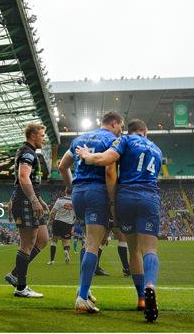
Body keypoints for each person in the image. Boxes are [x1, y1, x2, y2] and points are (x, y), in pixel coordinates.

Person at [76, 119, 162, 322]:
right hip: (149, 196)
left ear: (129, 131)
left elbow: (106, 160)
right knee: (149, 249)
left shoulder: (124, 141)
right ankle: (147, 291)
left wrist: (87, 156)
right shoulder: (157, 149)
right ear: (145, 132)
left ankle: (142, 294)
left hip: (125, 198)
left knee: (133, 249)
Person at [58, 111, 124, 313]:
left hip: (78, 192)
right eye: (121, 125)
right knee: (94, 244)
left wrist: (70, 187)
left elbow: (62, 166)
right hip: (97, 191)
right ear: (114, 123)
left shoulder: (80, 139)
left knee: (89, 242)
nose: (121, 130)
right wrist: (113, 201)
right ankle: (80, 298)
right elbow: (109, 171)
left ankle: (83, 290)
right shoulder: (113, 140)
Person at [4, 123, 49, 298]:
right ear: (32, 136)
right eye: (42, 135)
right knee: (27, 244)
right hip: (25, 202)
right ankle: (21, 287)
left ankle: (15, 273)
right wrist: (32, 200)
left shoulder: (28, 152)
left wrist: (39, 199)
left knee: (43, 239)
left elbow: (26, 179)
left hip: (29, 200)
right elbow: (23, 177)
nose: (44, 138)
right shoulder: (28, 153)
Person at [47, 188, 76, 265]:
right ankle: (66, 251)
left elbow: (53, 212)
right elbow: (77, 216)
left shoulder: (60, 200)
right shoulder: (75, 201)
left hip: (58, 222)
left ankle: (52, 260)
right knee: (66, 242)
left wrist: (49, 222)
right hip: (68, 223)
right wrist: (72, 223)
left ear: (65, 191)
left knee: (54, 241)